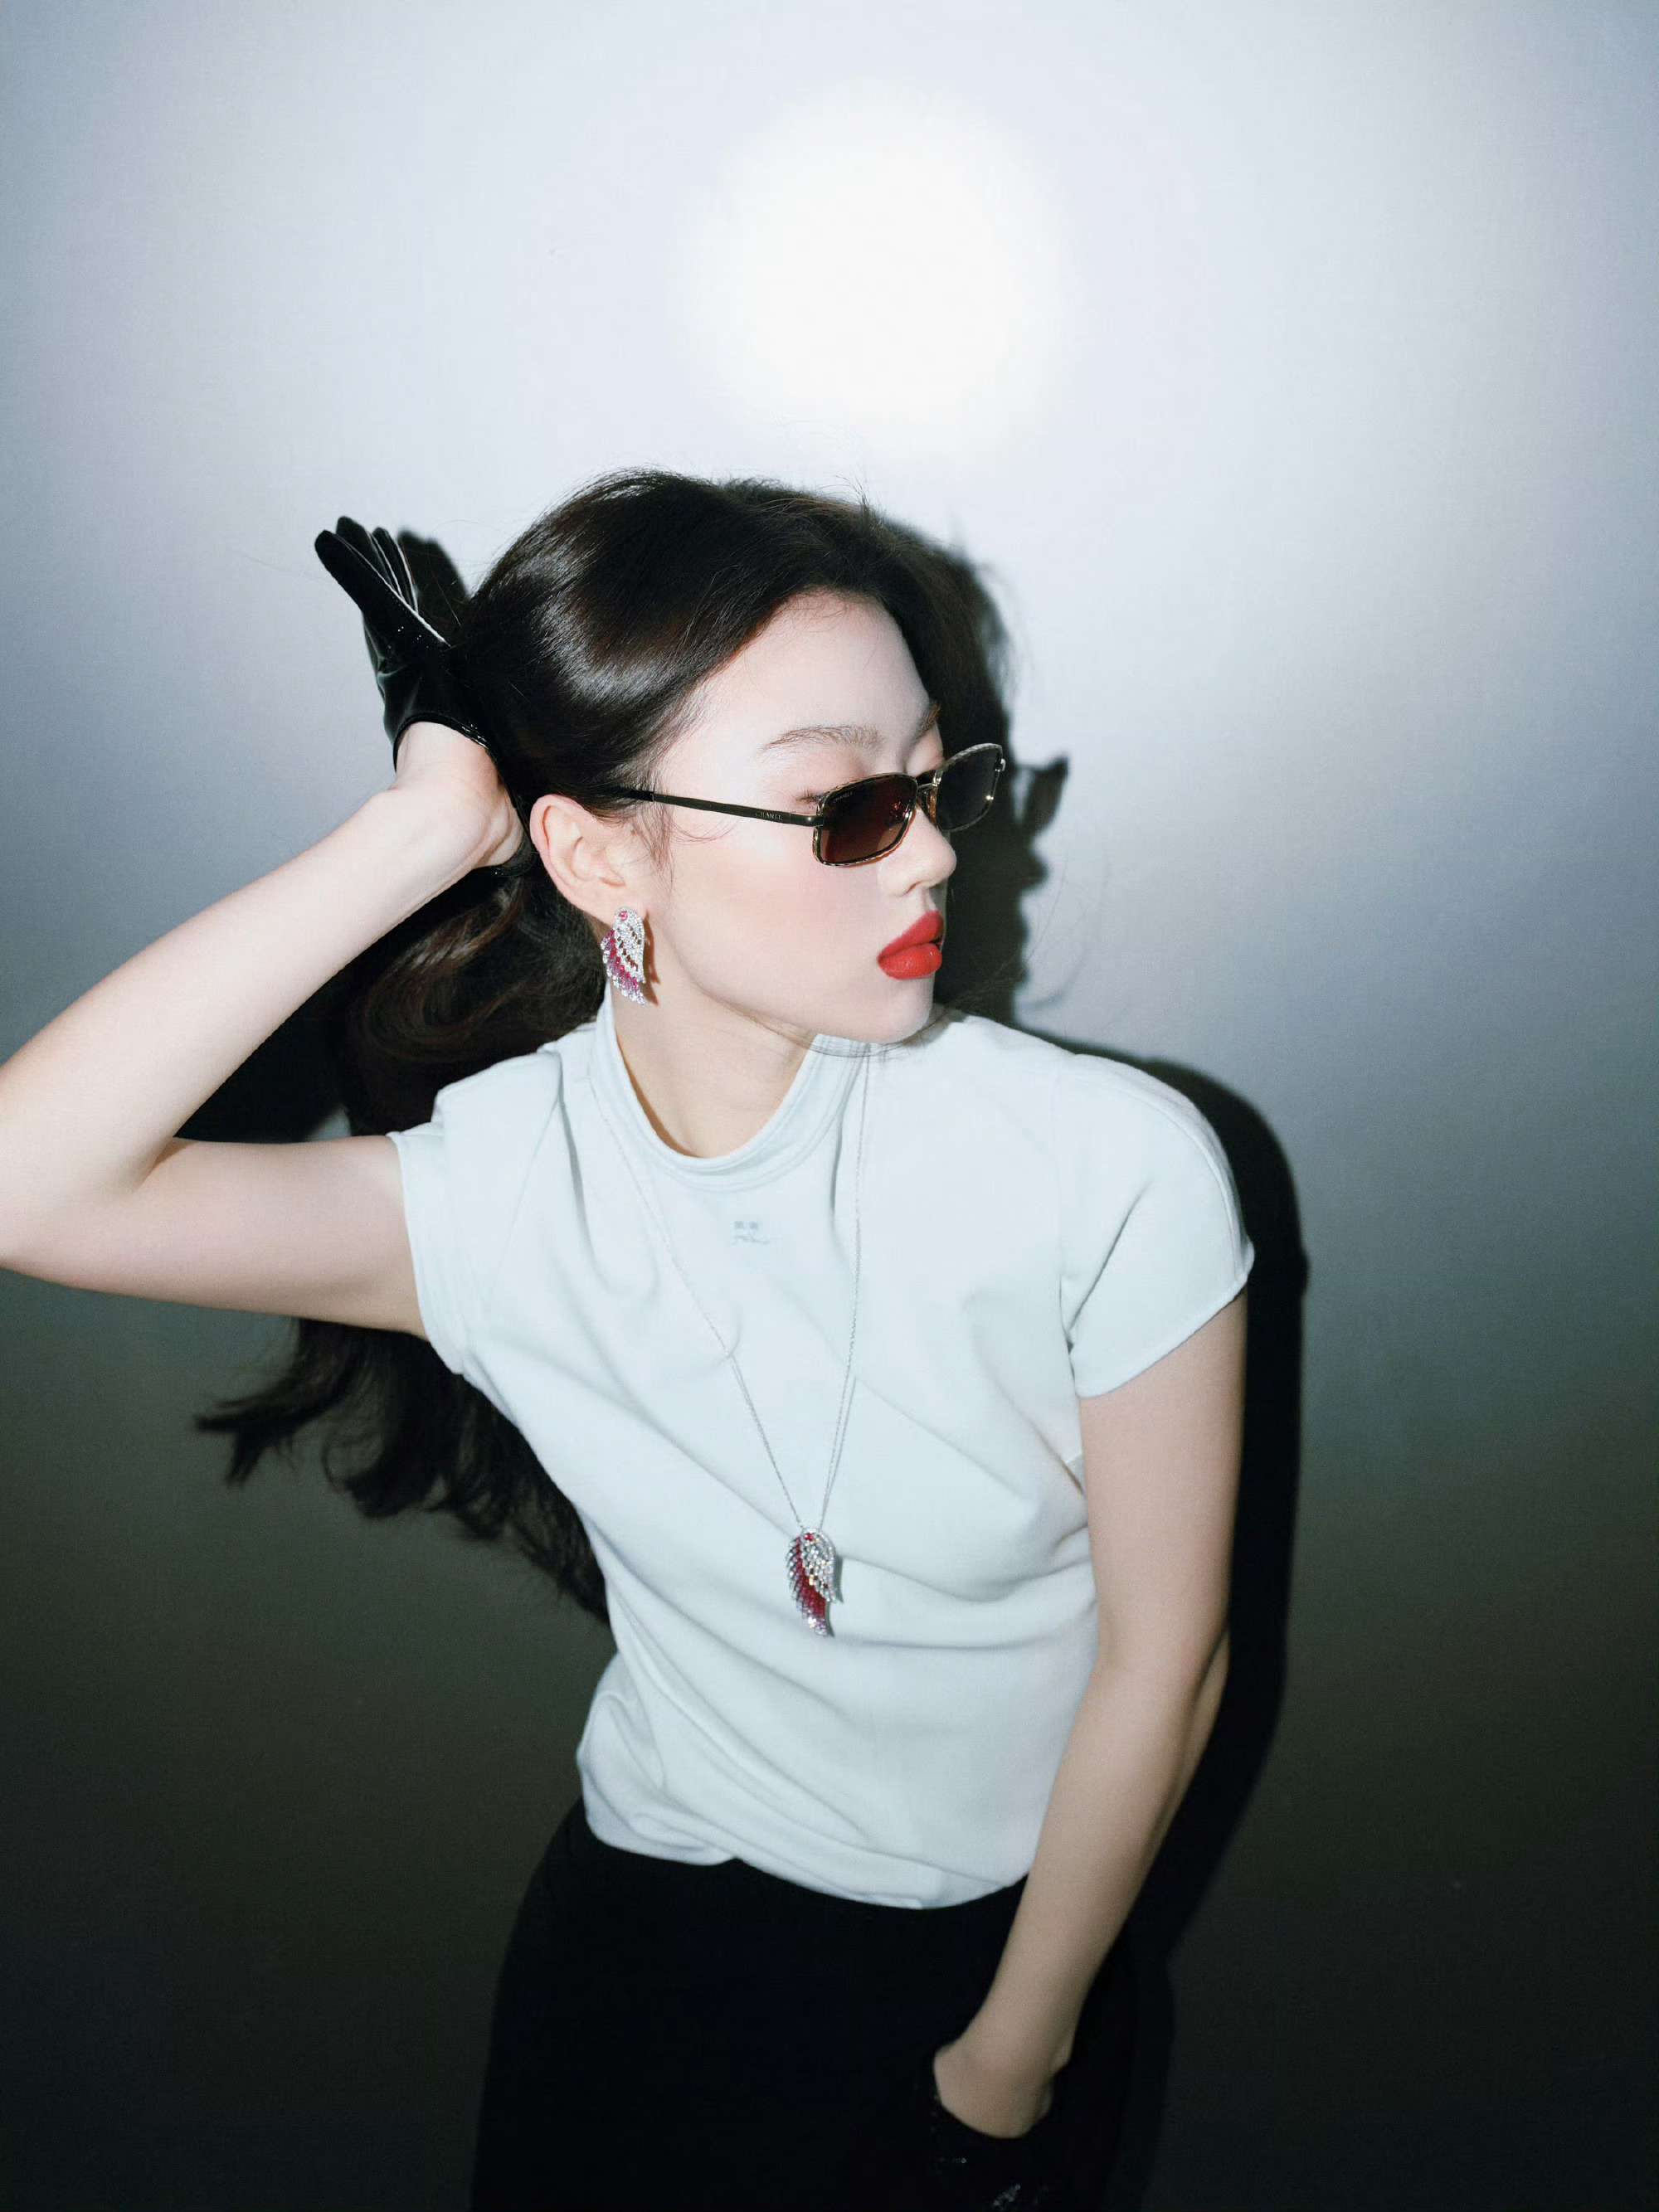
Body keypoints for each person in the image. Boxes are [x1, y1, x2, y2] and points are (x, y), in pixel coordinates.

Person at [0, 472, 1250, 2212]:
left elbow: (1165, 1660)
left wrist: (1005, 2069)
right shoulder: (506, 1191)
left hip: (1006, 1969)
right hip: (648, 1946)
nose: (935, 850)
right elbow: (30, 1188)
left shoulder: (1104, 1167)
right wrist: (423, 829)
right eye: (845, 804)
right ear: (599, 856)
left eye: (932, 780)